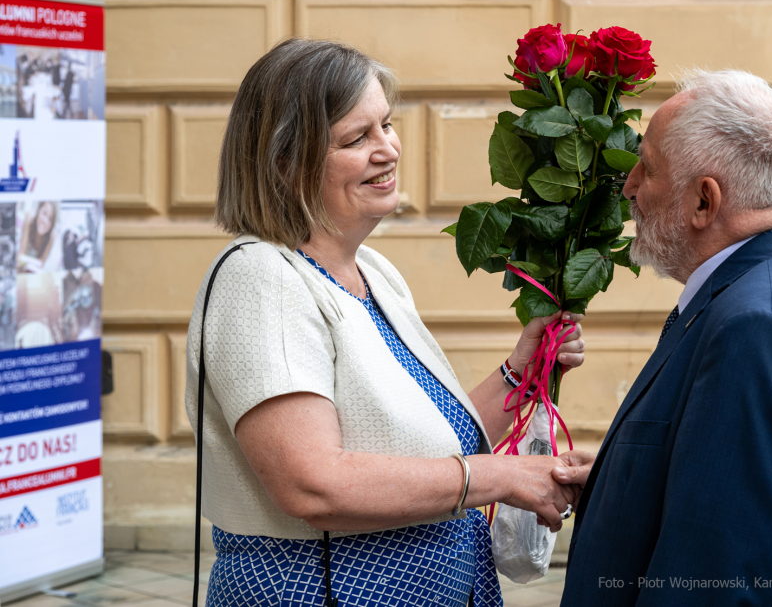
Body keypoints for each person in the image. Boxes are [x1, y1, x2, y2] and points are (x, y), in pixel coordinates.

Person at [185, 38, 591, 607]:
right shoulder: (262, 277)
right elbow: (311, 484)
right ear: (284, 164)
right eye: (357, 138)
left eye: (387, 125)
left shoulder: (372, 269)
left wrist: (519, 373)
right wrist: (501, 478)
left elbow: (428, 441)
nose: (388, 150)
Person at [555, 70, 772, 606]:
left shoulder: (757, 326)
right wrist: (617, 476)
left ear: (704, 201)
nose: (628, 188)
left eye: (646, 168)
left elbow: (719, 579)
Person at [17, 201, 58, 273]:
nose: (45, 221)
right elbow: (21, 255)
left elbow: (41, 263)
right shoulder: (29, 220)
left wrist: (27, 262)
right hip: (21, 268)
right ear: (38, 211)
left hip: (33, 272)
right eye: (44, 213)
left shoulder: (51, 236)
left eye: (50, 219)